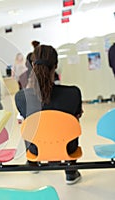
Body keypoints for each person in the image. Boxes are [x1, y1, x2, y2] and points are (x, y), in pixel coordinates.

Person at [15, 45, 83, 185]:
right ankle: (70, 172)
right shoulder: (73, 93)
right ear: (56, 65)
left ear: (32, 65)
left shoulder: (21, 97)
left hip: (36, 149)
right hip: (67, 148)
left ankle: (33, 164)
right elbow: (77, 118)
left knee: (27, 123)